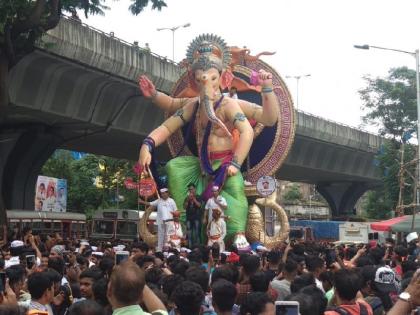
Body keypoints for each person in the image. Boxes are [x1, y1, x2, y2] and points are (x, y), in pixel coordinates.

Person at [138, 34, 279, 241]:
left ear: (223, 79)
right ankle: (183, 228)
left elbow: (263, 121)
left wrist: (235, 163)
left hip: (225, 166)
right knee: (174, 168)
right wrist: (147, 144)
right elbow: (168, 121)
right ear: (194, 81)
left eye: (212, 79)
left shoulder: (229, 105)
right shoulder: (194, 105)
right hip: (201, 166)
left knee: (235, 193)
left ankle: (236, 235)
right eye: (200, 79)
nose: (207, 85)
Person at [139, 188, 178, 252]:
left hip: (169, 223)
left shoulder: (172, 201)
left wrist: (176, 216)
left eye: (164, 193)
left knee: (168, 237)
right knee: (160, 237)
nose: (163, 195)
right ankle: (160, 251)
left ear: (167, 193)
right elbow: (150, 203)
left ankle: (168, 250)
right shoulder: (159, 201)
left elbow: (176, 210)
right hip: (160, 223)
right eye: (162, 194)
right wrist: (141, 201)